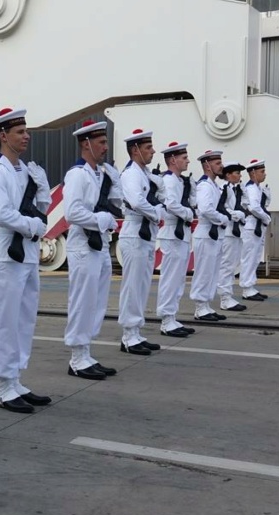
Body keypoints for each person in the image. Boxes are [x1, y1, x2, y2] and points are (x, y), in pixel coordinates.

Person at [0, 107, 53, 413]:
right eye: (20, 132)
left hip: (27, 255)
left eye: (26, 131)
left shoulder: (26, 171)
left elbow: (40, 210)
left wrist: (44, 190)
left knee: (24, 320)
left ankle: (16, 378)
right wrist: (33, 226)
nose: (26, 137)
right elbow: (1, 212)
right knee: (4, 322)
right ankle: (4, 385)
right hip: (5, 256)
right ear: (3, 136)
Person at [62, 120, 120, 379]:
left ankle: (86, 352)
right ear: (86, 143)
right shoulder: (77, 174)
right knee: (82, 302)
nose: (106, 147)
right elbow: (72, 212)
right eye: (101, 142)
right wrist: (100, 220)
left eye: (106, 142)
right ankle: (76, 358)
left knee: (96, 303)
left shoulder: (101, 174)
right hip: (82, 247)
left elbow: (117, 204)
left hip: (99, 245)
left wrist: (115, 184)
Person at [118, 128, 165, 356]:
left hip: (145, 233)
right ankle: (128, 335)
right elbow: (136, 201)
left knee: (143, 285)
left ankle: (136, 331)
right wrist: (156, 212)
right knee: (133, 286)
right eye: (148, 148)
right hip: (135, 231)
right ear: (135, 150)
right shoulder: (131, 174)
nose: (153, 151)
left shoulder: (144, 174)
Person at [155, 140, 196, 338]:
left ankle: (171, 317)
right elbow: (171, 204)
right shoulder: (170, 180)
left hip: (181, 234)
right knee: (171, 278)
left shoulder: (180, 181)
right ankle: (166, 319)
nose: (188, 161)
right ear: (172, 160)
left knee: (179, 278)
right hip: (172, 233)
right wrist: (188, 213)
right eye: (184, 157)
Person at [189, 150, 230, 322]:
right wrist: (221, 219)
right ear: (207, 165)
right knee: (204, 272)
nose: (221, 166)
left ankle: (206, 305)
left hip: (214, 235)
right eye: (217, 163)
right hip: (206, 233)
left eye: (220, 162)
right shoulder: (205, 185)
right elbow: (205, 209)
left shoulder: (214, 185)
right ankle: (200, 307)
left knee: (212, 272)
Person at [216, 160, 249, 312]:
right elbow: (220, 207)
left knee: (232, 264)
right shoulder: (224, 188)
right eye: (237, 173)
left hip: (236, 230)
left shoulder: (237, 189)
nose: (239, 176)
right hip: (228, 231)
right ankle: (225, 298)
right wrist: (234, 214)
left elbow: (245, 206)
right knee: (227, 265)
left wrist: (241, 213)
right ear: (228, 175)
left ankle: (228, 295)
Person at [240, 158, 271, 301]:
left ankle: (251, 286)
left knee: (255, 257)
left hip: (258, 226)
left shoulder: (258, 188)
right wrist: (266, 218)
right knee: (249, 258)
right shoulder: (251, 188)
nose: (264, 174)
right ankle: (246, 288)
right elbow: (253, 207)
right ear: (253, 172)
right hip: (252, 226)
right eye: (262, 171)